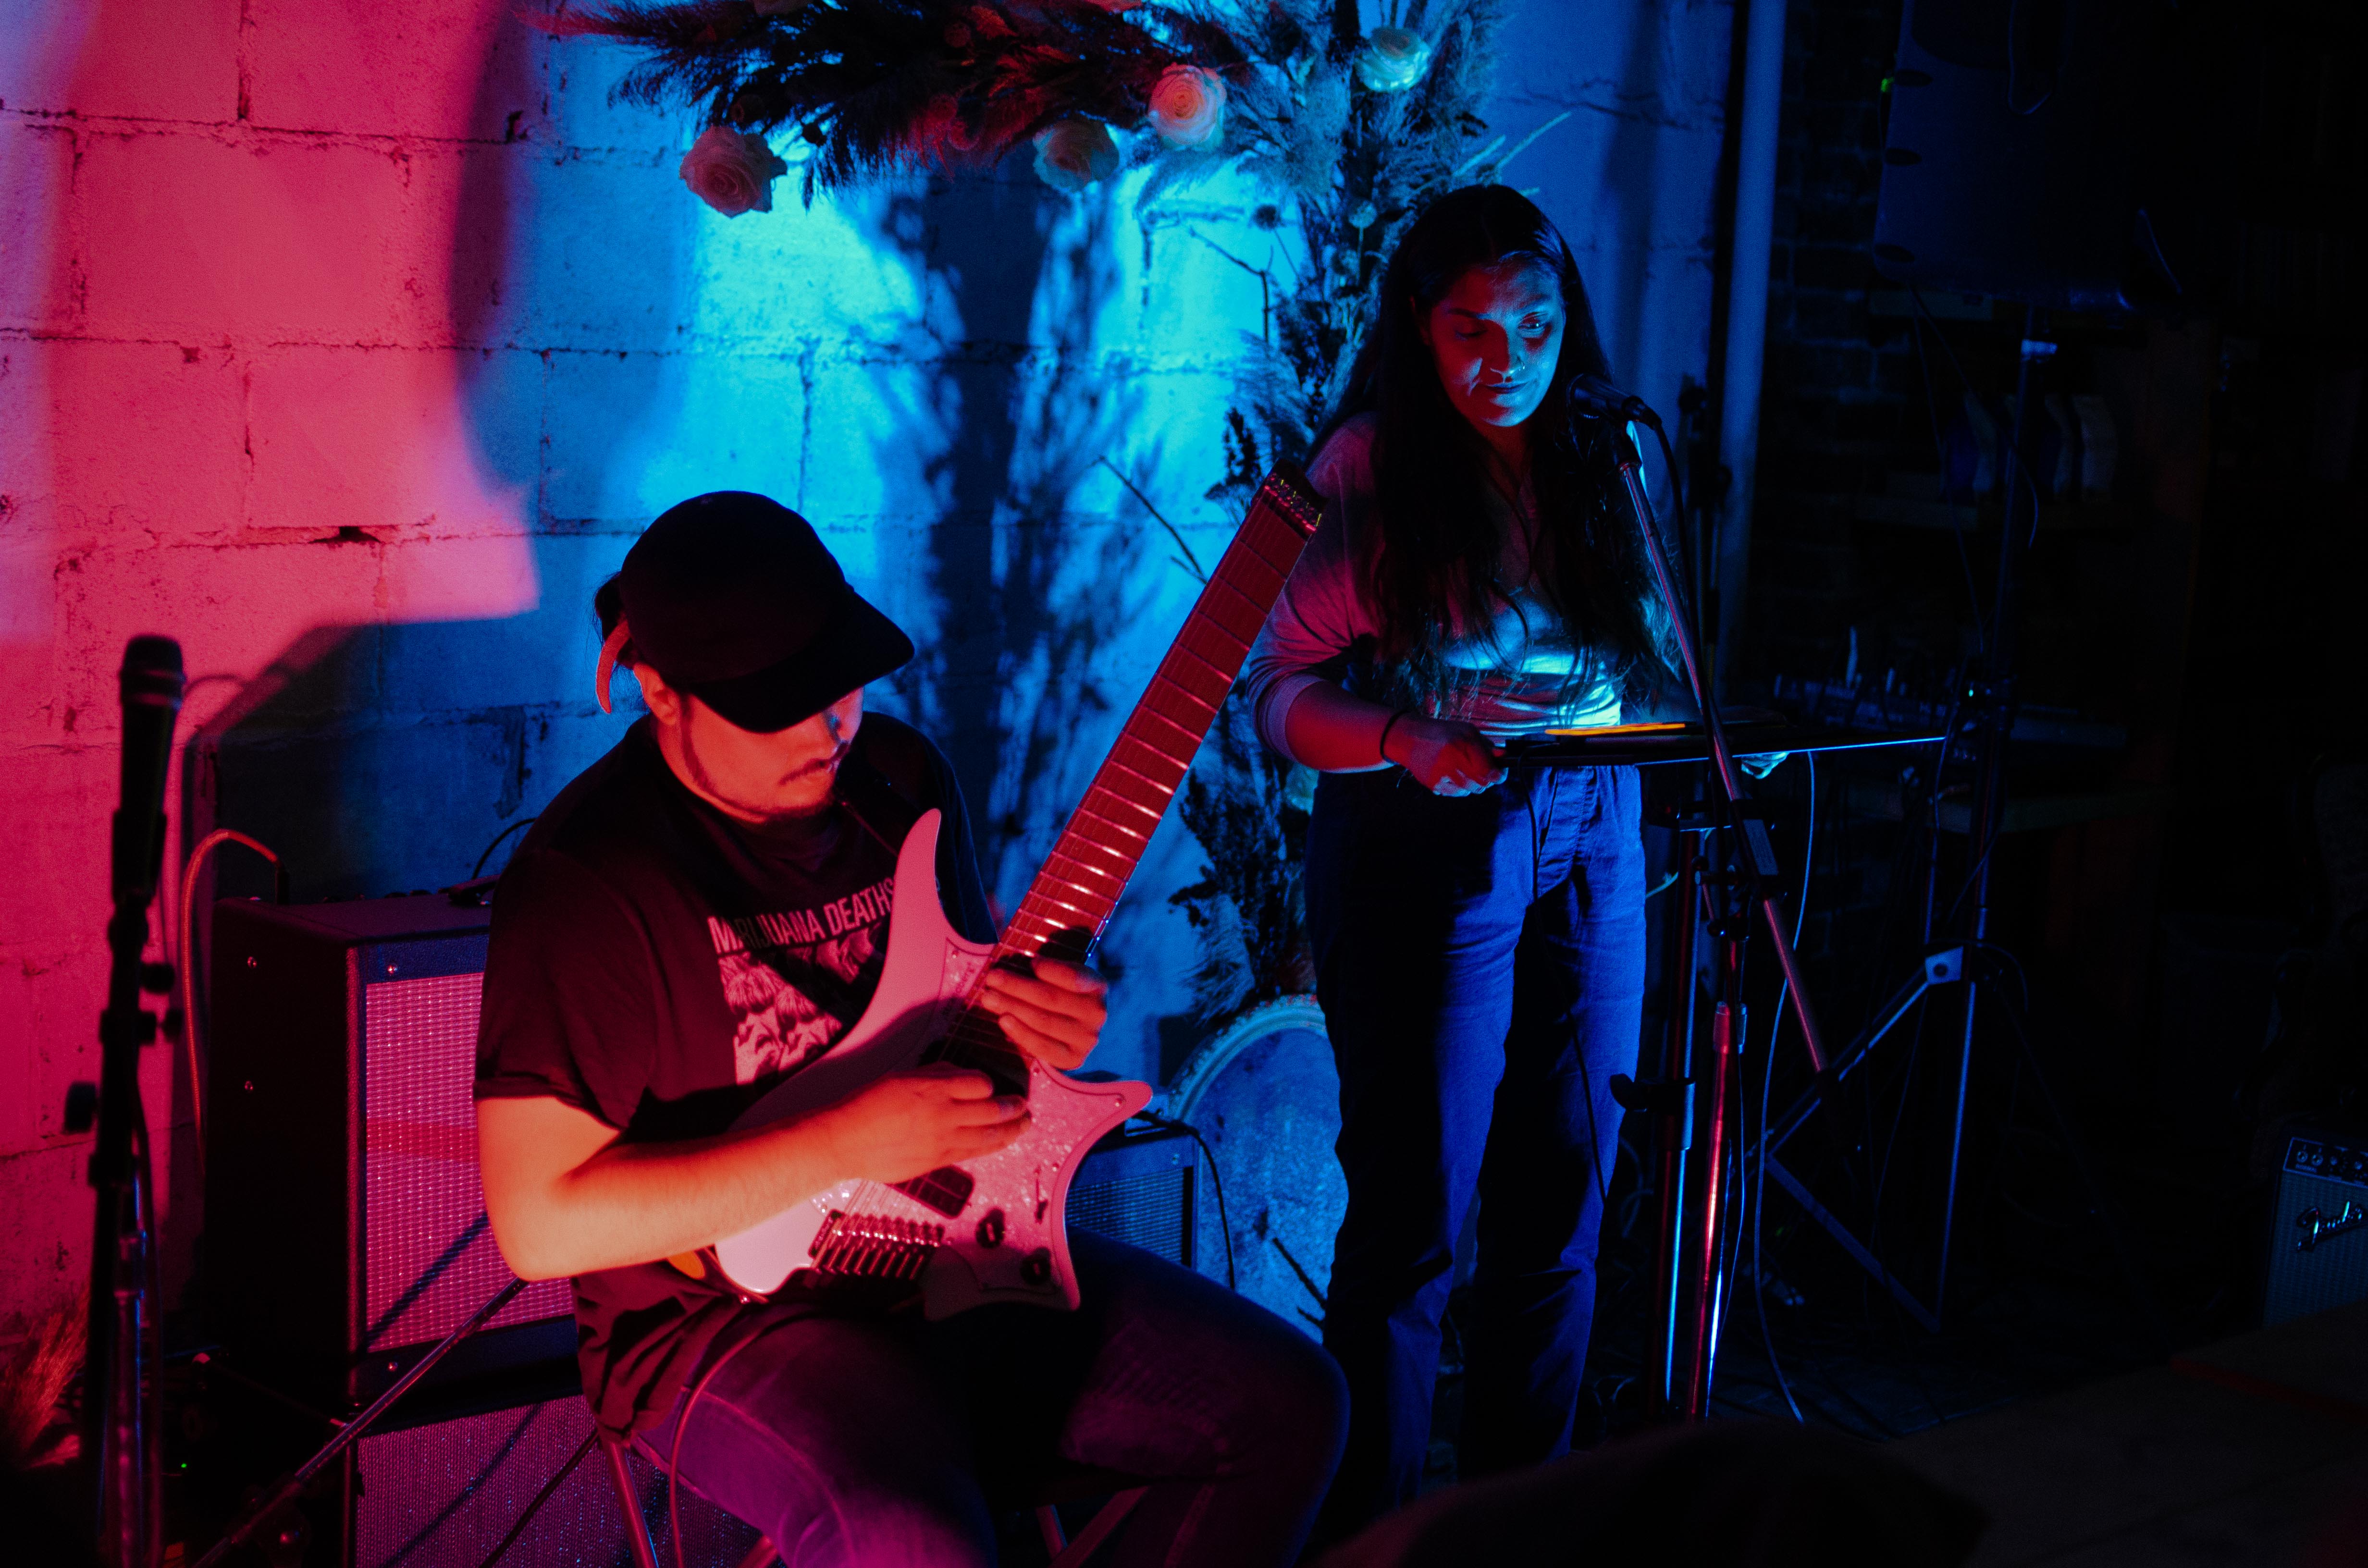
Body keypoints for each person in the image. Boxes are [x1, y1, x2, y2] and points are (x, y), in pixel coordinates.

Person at [475, 491, 1346, 1568]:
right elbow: (542, 1226)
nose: (828, 729)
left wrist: (1046, 1024)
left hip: (957, 1252)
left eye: (840, 685)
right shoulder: (590, 885)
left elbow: (973, 1025)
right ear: (662, 692)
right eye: (778, 707)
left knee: (1291, 1404)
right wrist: (844, 1142)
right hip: (719, 1320)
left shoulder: (896, 777)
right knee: (908, 1537)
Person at [1240, 185, 1676, 1537]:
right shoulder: (1370, 467)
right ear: (1418, 331)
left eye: (1535, 327)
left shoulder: (1603, 456)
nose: (1508, 360)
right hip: (1427, 830)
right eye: (1471, 331)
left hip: (1593, 818)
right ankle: (1378, 1538)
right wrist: (1402, 735)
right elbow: (1274, 692)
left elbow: (1650, 653)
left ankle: (1517, 1532)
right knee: (1417, 1219)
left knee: (1565, 1203)